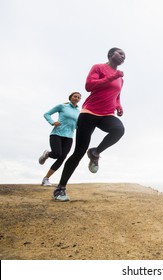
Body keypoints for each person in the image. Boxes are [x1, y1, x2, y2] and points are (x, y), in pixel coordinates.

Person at [52, 47, 126, 202]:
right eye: (120, 53)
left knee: (118, 129)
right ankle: (60, 188)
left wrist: (119, 105)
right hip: (89, 113)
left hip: (106, 114)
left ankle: (95, 152)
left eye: (124, 55)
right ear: (110, 54)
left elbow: (117, 95)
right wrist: (111, 78)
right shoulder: (99, 67)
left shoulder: (121, 78)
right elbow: (89, 86)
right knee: (78, 152)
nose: (123, 56)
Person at [39, 92, 82, 186]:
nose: (77, 98)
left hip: (69, 137)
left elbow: (78, 124)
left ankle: (46, 179)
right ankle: (47, 154)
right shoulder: (62, 106)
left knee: (62, 158)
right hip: (57, 134)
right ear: (70, 98)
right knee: (57, 154)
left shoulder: (79, 111)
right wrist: (52, 122)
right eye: (75, 96)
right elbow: (47, 114)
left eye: (79, 97)